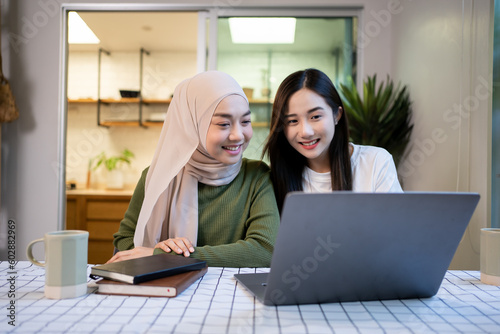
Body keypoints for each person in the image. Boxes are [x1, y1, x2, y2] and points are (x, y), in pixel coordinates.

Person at [107, 71, 280, 267]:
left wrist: (171, 256)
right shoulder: (157, 176)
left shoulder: (256, 176)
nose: (238, 135)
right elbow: (125, 242)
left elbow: (265, 250)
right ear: (192, 125)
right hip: (165, 293)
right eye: (224, 124)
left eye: (245, 122)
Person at [263, 68, 403, 212]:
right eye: (292, 121)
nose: (306, 132)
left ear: (337, 115)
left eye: (315, 117)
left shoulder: (376, 162)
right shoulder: (275, 177)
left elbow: (396, 229)